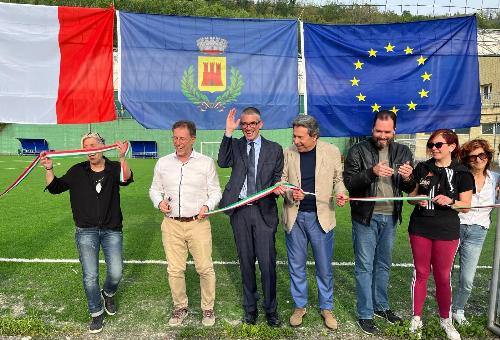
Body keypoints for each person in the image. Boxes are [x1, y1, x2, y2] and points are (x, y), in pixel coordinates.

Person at [40, 133, 133, 334]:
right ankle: (96, 313)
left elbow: (126, 179)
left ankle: (108, 293)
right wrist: (49, 169)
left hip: (111, 229)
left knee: (116, 271)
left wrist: (123, 157)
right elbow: (55, 187)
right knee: (90, 275)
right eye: (86, 147)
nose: (90, 150)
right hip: (86, 231)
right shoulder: (77, 171)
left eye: (93, 145)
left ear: (102, 147)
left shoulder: (113, 168)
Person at [343, 110, 414, 335]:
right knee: (365, 267)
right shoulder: (357, 150)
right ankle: (365, 313)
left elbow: (407, 188)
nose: (382, 136)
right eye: (378, 131)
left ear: (394, 131)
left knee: (383, 265)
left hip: (391, 216)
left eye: (387, 132)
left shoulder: (403, 150)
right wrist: (372, 172)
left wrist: (408, 177)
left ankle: (381, 306)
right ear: (372, 129)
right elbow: (350, 184)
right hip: (365, 217)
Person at [275, 115, 347, 330]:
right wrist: (290, 194)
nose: (296, 141)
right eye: (294, 136)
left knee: (324, 268)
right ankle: (300, 306)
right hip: (295, 219)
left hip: (321, 219)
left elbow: (338, 181)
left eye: (300, 137)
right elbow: (281, 182)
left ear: (314, 136)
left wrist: (341, 193)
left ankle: (326, 307)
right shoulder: (288, 153)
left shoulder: (331, 151)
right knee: (296, 267)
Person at [149, 120, 221, 327]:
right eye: (175, 138)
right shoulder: (163, 163)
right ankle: (180, 307)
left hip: (198, 223)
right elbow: (154, 189)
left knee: (205, 268)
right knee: (174, 269)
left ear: (193, 139)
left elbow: (216, 191)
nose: (177, 142)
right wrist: (159, 201)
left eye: (182, 138)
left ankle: (207, 308)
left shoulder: (206, 162)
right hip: (171, 225)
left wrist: (208, 206)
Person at [218, 107, 284, 327]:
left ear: (260, 124)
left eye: (252, 124)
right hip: (240, 212)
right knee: (246, 263)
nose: (248, 128)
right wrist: (228, 132)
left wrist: (277, 188)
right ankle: (250, 308)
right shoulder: (235, 145)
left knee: (267, 265)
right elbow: (222, 161)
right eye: (244, 124)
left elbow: (277, 178)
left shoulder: (274, 149)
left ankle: (271, 310)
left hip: (264, 212)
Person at [407, 129, 473, 340]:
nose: (433, 148)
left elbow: (466, 206)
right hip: (420, 227)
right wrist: (415, 199)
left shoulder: (463, 172)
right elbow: (410, 197)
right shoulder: (422, 167)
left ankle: (446, 319)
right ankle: (416, 317)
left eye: (438, 145)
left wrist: (451, 201)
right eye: (431, 145)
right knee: (421, 272)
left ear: (452, 147)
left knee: (443, 276)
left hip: (447, 230)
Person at [451, 139, 498, 325]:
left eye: (482, 155)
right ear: (466, 159)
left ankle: (458, 310)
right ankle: (444, 311)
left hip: (478, 231)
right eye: (473, 157)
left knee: (467, 278)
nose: (478, 160)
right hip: (455, 226)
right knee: (444, 273)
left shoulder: (495, 177)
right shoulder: (459, 176)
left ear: (488, 157)